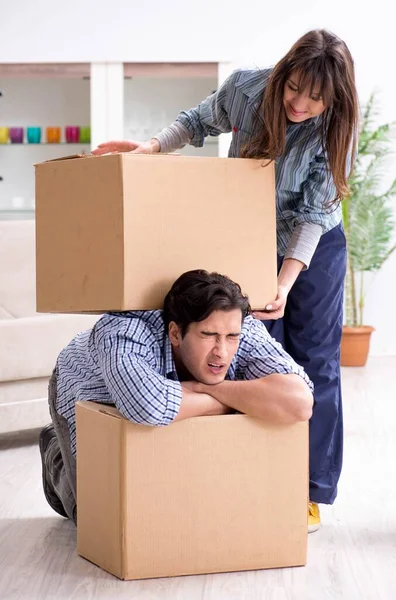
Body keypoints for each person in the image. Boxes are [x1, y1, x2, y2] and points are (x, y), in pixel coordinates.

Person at [92, 28, 359, 532]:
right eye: (294, 87)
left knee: (316, 361)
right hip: (248, 232)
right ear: (283, 74)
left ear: (336, 99)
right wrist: (152, 148)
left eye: (316, 97)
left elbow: (314, 212)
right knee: (252, 354)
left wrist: (284, 281)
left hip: (313, 245)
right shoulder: (246, 89)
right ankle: (251, 472)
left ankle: (308, 490)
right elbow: (197, 121)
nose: (300, 103)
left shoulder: (337, 127)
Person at [39, 270, 313, 525]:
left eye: (231, 337)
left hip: (161, 389)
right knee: (95, 519)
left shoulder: (242, 327)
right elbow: (147, 406)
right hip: (86, 388)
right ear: (175, 333)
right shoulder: (123, 331)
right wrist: (244, 397)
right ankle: (55, 451)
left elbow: (299, 402)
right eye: (208, 336)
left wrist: (208, 389)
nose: (222, 352)